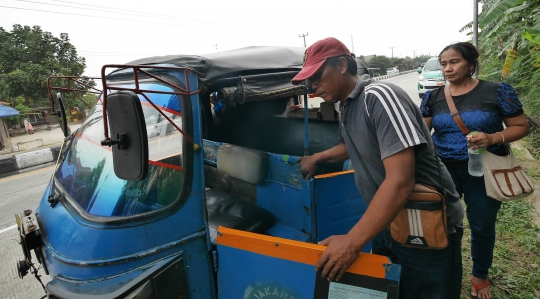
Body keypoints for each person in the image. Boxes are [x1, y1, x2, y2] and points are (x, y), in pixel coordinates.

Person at [292, 37, 464, 298]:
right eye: (308, 79)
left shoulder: (379, 97)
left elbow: (400, 181)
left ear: (341, 65)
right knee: (395, 290)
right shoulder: (347, 105)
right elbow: (354, 143)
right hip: (386, 218)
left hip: (424, 220)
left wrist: (351, 241)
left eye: (317, 74)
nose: (312, 84)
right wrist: (319, 157)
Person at [420, 42, 530, 299]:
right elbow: (422, 133)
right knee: (443, 224)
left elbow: (520, 126)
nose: (448, 68)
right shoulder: (433, 97)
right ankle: (446, 270)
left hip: (484, 170)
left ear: (471, 64)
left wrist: (492, 138)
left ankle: (479, 274)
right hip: (443, 171)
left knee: (481, 225)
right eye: (444, 63)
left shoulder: (497, 91)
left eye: (454, 62)